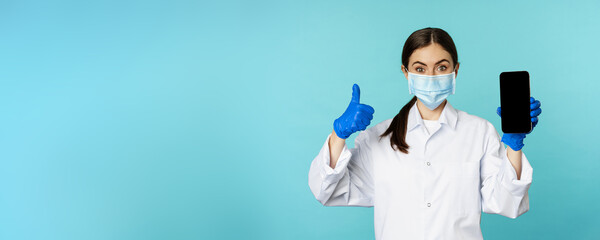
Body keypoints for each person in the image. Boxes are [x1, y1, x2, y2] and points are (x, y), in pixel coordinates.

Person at [308, 27, 542, 240]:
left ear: (455, 70)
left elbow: (506, 203)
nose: (431, 77)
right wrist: (339, 135)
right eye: (420, 68)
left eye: (441, 67)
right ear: (406, 72)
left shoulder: (479, 132)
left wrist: (514, 145)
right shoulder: (378, 138)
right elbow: (326, 192)